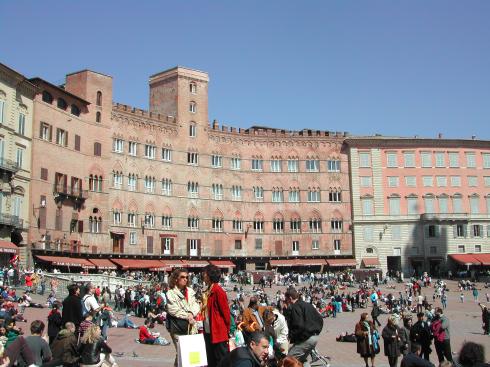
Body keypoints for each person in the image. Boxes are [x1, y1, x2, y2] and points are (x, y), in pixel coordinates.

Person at [166, 268, 200, 366]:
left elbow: (196, 304)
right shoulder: (171, 293)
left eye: (187, 277)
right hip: (178, 327)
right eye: (182, 277)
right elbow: (173, 310)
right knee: (182, 352)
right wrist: (187, 316)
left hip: (191, 327)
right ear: (176, 278)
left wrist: (191, 313)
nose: (185, 279)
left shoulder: (190, 291)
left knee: (188, 354)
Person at [284, 288, 323, 367]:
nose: (287, 301)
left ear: (290, 298)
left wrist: (290, 336)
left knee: (288, 360)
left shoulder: (295, 306)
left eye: (286, 299)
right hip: (314, 337)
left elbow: (298, 325)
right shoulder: (307, 304)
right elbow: (320, 319)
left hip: (306, 338)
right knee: (302, 359)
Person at [202, 264, 231, 367]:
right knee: (211, 360)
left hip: (218, 333)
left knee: (221, 361)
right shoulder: (208, 290)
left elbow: (226, 313)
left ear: (210, 275)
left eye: (205, 274)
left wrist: (226, 331)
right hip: (209, 332)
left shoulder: (218, 291)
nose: (203, 276)